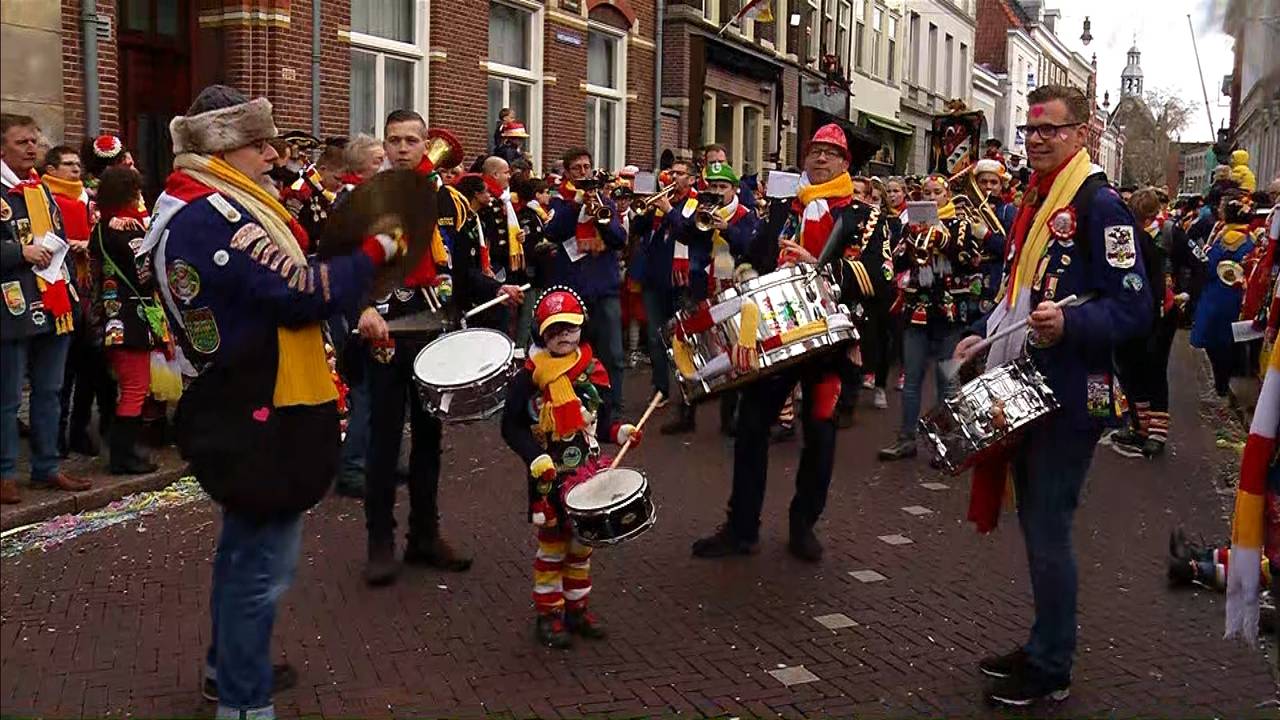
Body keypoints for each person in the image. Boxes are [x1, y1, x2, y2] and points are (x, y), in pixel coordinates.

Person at [140, 84, 401, 720]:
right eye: (260, 144)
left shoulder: (208, 202)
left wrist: (354, 296)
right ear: (224, 149)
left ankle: (224, 671)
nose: (272, 155)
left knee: (242, 554)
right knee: (261, 572)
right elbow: (297, 293)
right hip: (258, 408)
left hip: (245, 398)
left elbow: (286, 280)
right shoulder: (211, 216)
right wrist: (377, 252)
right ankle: (244, 703)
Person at [952, 84, 1151, 706]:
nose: (1037, 140)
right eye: (1031, 132)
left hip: (1074, 392)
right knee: (1038, 524)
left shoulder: (1101, 206)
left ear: (1082, 133)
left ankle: (1053, 665)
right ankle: (1044, 643)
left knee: (1048, 527)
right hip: (1032, 386)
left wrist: (1072, 324)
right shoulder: (1035, 202)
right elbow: (1018, 292)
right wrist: (983, 338)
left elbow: (1135, 307)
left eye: (1051, 131)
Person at [690, 123, 892, 562]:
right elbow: (755, 259)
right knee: (750, 428)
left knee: (820, 434)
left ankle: (804, 526)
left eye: (830, 153)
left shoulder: (864, 216)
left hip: (829, 342)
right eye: (814, 151)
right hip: (775, 337)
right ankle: (742, 527)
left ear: (845, 163)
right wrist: (741, 274)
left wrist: (819, 268)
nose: (820, 159)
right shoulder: (784, 210)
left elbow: (881, 279)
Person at [358, 111, 523, 587]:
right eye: (395, 140)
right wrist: (360, 309)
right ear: (385, 146)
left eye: (412, 140)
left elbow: (467, 266)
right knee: (385, 441)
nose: (404, 148)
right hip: (387, 332)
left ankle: (424, 535)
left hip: (435, 331)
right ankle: (379, 544)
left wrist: (497, 286)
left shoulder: (450, 202)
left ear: (425, 141)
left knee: (431, 438)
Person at [500, 287, 641, 648]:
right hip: (550, 478)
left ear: (582, 327)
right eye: (554, 329)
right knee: (551, 549)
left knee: (581, 547)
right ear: (540, 333)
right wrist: (534, 456)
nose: (563, 335)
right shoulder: (530, 377)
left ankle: (577, 609)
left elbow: (604, 419)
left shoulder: (593, 369)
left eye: (569, 328)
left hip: (587, 473)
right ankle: (549, 615)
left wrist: (620, 431)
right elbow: (511, 426)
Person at [1, 114, 91, 504]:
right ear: (2, 147)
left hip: (54, 299)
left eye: (34, 141)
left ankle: (46, 467)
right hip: (11, 305)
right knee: (6, 397)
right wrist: (19, 251)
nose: (32, 148)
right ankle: (5, 473)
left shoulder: (41, 189)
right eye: (22, 142)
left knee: (50, 391)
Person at [879, 173, 982, 461]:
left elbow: (968, 259)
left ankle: (945, 443)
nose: (931, 196)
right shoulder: (908, 224)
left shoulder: (959, 222)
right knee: (911, 379)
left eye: (937, 191)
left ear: (947, 196)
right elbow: (896, 260)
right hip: (917, 310)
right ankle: (906, 438)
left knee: (946, 380)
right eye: (926, 191)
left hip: (948, 312)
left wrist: (942, 239)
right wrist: (914, 238)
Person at [92, 166, 169, 474]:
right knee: (136, 387)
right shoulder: (130, 229)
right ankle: (123, 456)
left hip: (110, 314)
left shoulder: (100, 226)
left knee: (127, 384)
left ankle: (122, 449)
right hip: (131, 315)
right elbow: (144, 272)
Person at [43, 145, 114, 458]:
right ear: (52, 169)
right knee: (63, 373)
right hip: (61, 291)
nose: (75, 169)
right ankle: (54, 439)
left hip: (90, 293)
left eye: (77, 164)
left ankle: (80, 431)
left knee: (92, 368)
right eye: (67, 164)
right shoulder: (46, 198)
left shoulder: (87, 199)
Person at [543, 148, 627, 413]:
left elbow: (618, 239)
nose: (583, 172)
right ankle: (576, 404)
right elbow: (553, 232)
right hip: (573, 289)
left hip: (604, 287)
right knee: (573, 350)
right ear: (567, 172)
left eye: (586, 167)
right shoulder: (560, 201)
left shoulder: (606, 201)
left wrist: (600, 214)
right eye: (577, 168)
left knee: (612, 353)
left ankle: (612, 408)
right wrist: (576, 206)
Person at [1110, 188, 1180, 458]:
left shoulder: (1170, 232)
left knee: (1154, 370)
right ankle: (1140, 427)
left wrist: (1184, 293)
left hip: (1162, 313)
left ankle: (1157, 434)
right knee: (1130, 369)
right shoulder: (1124, 236)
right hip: (1133, 312)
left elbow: (1198, 263)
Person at [632, 159, 697, 429]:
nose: (674, 177)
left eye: (681, 174)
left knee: (682, 342)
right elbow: (637, 231)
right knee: (655, 337)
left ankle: (687, 392)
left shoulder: (694, 204)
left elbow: (688, 231)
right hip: (654, 278)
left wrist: (669, 209)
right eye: (672, 173)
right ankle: (660, 388)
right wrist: (647, 210)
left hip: (681, 282)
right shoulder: (661, 202)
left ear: (692, 179)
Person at [1191, 192, 1255, 397]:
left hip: (1216, 296)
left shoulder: (1220, 239)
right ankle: (1226, 379)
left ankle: (1220, 381)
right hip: (1239, 297)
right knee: (1233, 340)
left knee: (1213, 341)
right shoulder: (1252, 240)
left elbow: (1208, 267)